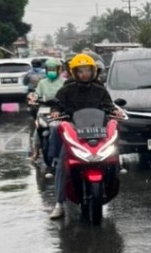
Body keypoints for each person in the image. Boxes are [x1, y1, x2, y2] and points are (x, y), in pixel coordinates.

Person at [47, 53, 122, 219]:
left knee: (114, 153)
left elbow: (109, 106)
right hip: (75, 135)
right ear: (74, 72)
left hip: (98, 133)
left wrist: (114, 111)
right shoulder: (66, 89)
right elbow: (56, 106)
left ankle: (117, 171)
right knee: (62, 163)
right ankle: (59, 203)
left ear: (93, 71)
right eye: (80, 71)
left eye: (87, 71)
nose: (84, 74)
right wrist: (55, 112)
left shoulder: (100, 90)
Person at [27, 60, 63, 164]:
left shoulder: (64, 82)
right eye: (49, 69)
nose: (51, 71)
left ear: (59, 70)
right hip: (44, 108)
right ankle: (36, 152)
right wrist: (32, 97)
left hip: (59, 110)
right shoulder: (42, 82)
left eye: (53, 69)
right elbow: (36, 94)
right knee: (38, 127)